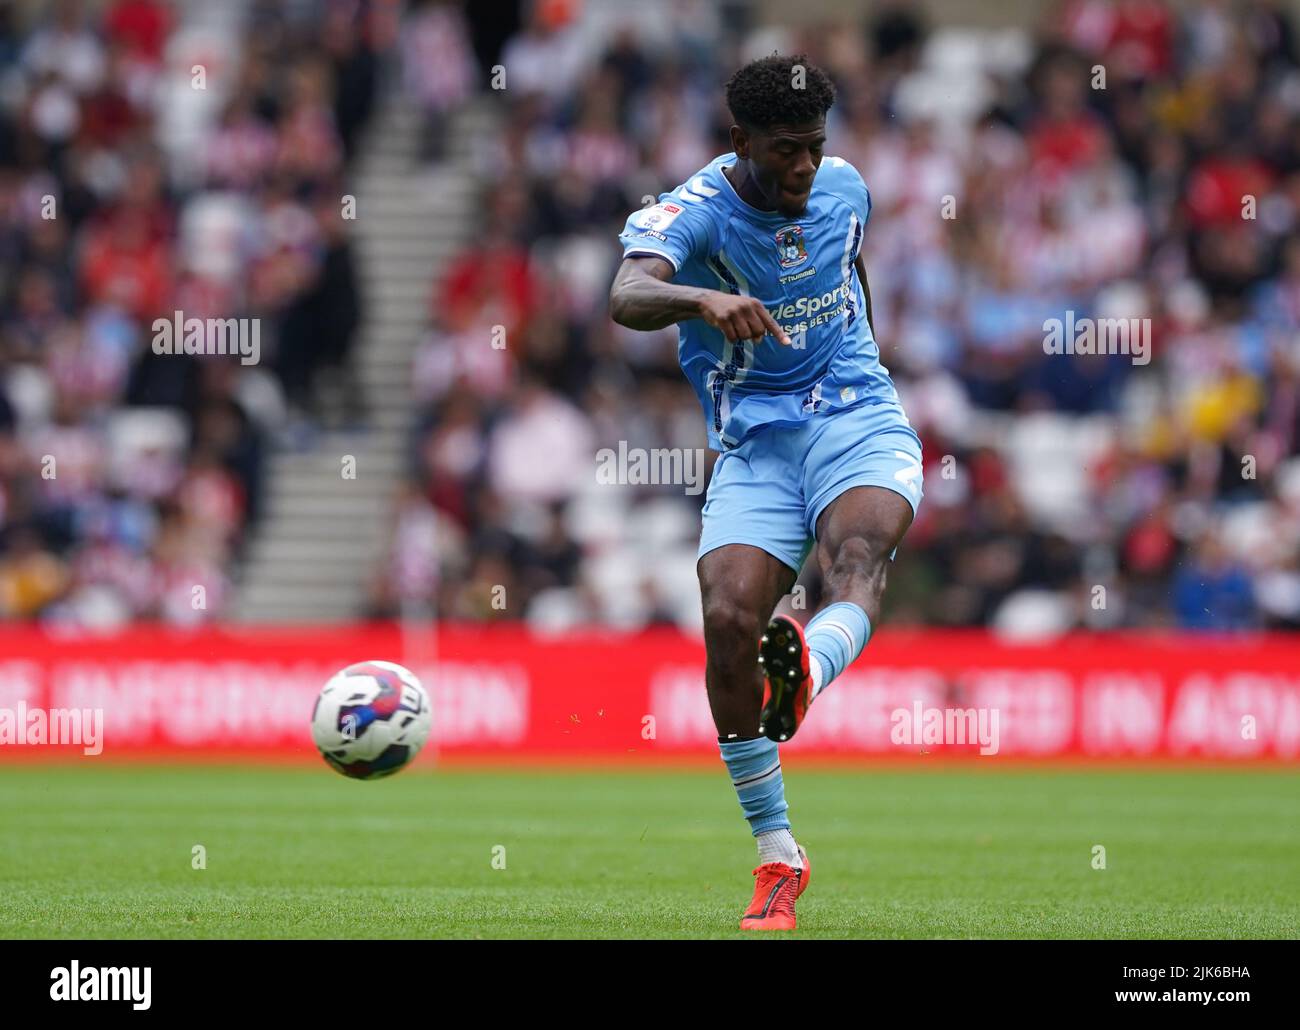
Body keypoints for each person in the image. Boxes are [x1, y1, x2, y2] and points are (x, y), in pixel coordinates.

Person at [608, 54, 924, 931]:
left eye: (816, 148)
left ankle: (806, 673)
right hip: (756, 443)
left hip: (857, 414)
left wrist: (866, 365)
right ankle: (778, 856)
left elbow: (850, 281)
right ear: (740, 142)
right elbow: (626, 294)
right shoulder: (697, 211)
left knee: (854, 555)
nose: (804, 168)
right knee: (727, 623)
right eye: (786, 150)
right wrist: (703, 300)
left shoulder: (846, 189)